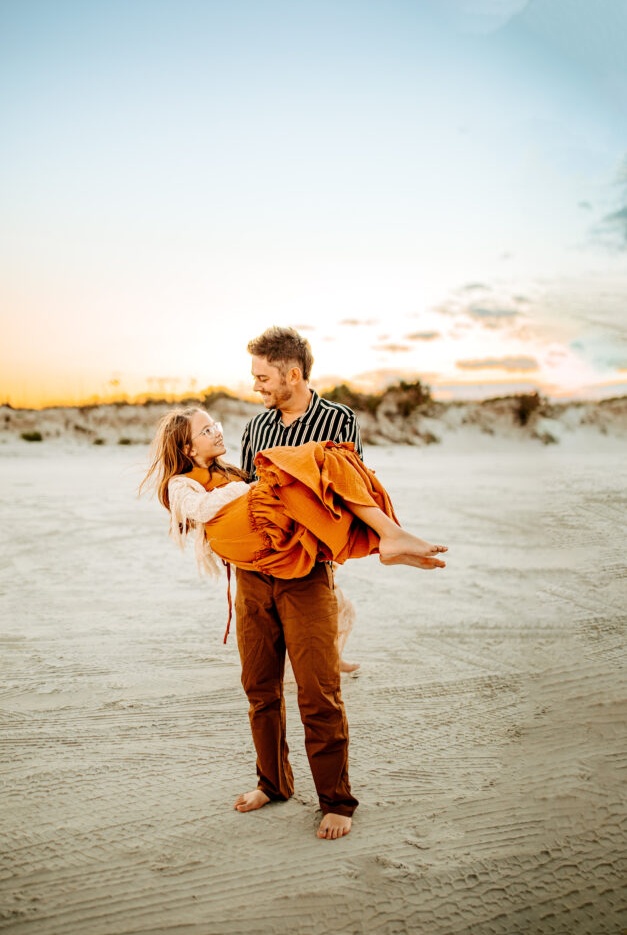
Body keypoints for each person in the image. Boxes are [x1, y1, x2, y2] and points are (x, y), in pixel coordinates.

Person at [143, 356, 447, 843]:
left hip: (304, 575)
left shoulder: (328, 422)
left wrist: (260, 482)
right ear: (187, 446)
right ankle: (274, 783)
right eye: (207, 429)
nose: (219, 431)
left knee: (317, 690)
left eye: (217, 424)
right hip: (251, 583)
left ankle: (336, 801)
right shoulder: (189, 482)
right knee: (260, 689)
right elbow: (204, 510)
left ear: (293, 373)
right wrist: (254, 486)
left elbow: (323, 493)